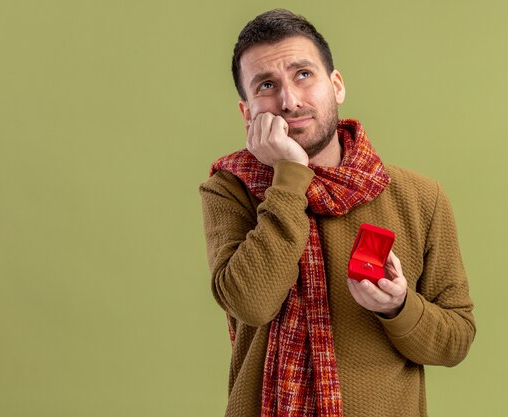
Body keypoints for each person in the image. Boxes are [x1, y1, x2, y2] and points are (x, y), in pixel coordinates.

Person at [199, 8, 475, 417]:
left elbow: (456, 341)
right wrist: (289, 175)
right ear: (246, 113)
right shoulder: (231, 187)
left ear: (337, 85)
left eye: (303, 75)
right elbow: (250, 303)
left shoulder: (418, 196)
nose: (289, 101)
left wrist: (397, 306)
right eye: (267, 85)